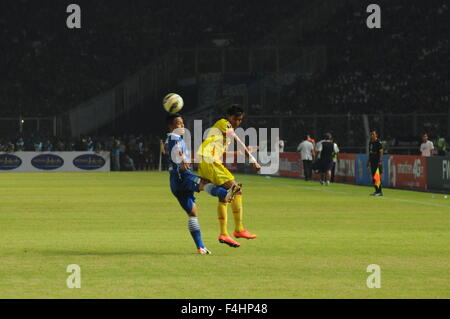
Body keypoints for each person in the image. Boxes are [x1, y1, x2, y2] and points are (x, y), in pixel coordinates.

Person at [165, 113, 241, 254]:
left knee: (193, 213)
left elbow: (177, 153)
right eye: (178, 123)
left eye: (182, 123)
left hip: (175, 183)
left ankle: (200, 247)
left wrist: (190, 159)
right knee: (203, 183)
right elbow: (177, 151)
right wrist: (183, 160)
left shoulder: (172, 139)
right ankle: (225, 194)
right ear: (171, 126)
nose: (182, 126)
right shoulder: (174, 139)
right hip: (183, 178)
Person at [197, 104, 260, 248]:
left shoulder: (222, 131)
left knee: (224, 196)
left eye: (240, 120)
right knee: (236, 189)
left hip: (207, 160)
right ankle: (238, 229)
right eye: (236, 119)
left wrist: (243, 153)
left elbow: (222, 152)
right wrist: (252, 160)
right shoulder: (224, 123)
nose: (238, 122)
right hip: (210, 161)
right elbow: (238, 141)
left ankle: (224, 233)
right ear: (229, 117)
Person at [367, 129, 383, 196]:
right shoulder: (370, 143)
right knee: (374, 177)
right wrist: (368, 161)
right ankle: (376, 191)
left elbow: (381, 152)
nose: (372, 135)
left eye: (373, 134)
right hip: (372, 161)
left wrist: (380, 161)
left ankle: (379, 191)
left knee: (377, 176)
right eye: (371, 134)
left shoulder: (378, 142)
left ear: (376, 135)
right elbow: (370, 153)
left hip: (377, 161)